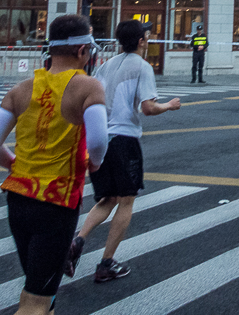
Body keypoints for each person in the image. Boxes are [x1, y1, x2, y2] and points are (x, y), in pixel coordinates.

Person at [0, 15, 109, 315]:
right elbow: (99, 141)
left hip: (18, 198)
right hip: (56, 202)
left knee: (42, 294)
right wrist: (95, 163)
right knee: (35, 304)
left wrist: (15, 165)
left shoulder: (21, 89)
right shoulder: (89, 86)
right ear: (82, 50)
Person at [65, 20, 181, 283]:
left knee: (107, 199)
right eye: (147, 35)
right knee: (126, 200)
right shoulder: (142, 66)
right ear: (141, 41)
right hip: (125, 140)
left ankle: (77, 242)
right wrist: (170, 106)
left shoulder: (107, 65)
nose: (149, 37)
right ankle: (106, 263)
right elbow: (148, 107)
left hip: (102, 138)